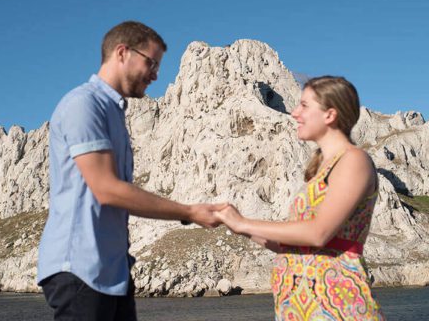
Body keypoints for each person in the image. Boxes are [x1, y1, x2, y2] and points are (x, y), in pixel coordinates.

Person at [37, 21, 226, 321]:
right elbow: (107, 188)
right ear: (122, 53)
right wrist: (189, 212)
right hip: (80, 270)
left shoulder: (114, 113)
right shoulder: (84, 105)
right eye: (151, 63)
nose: (155, 74)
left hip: (113, 272)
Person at [216, 76, 385, 320]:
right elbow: (293, 245)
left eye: (304, 105)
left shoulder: (353, 160)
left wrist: (243, 223)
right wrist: (237, 225)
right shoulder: (318, 174)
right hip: (301, 308)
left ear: (330, 115)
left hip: (337, 305)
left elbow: (318, 233)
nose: (295, 113)